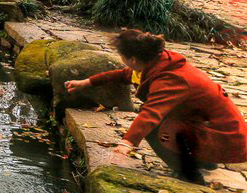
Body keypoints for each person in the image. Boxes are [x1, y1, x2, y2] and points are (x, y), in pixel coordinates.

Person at [64, 29, 247, 183]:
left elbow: (150, 113)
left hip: (225, 137)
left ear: (133, 59)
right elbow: (123, 75)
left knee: (154, 128)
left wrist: (126, 143)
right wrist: (86, 82)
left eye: (121, 56)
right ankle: (204, 160)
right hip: (211, 128)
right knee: (165, 121)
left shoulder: (171, 79)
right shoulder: (158, 62)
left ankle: (189, 173)